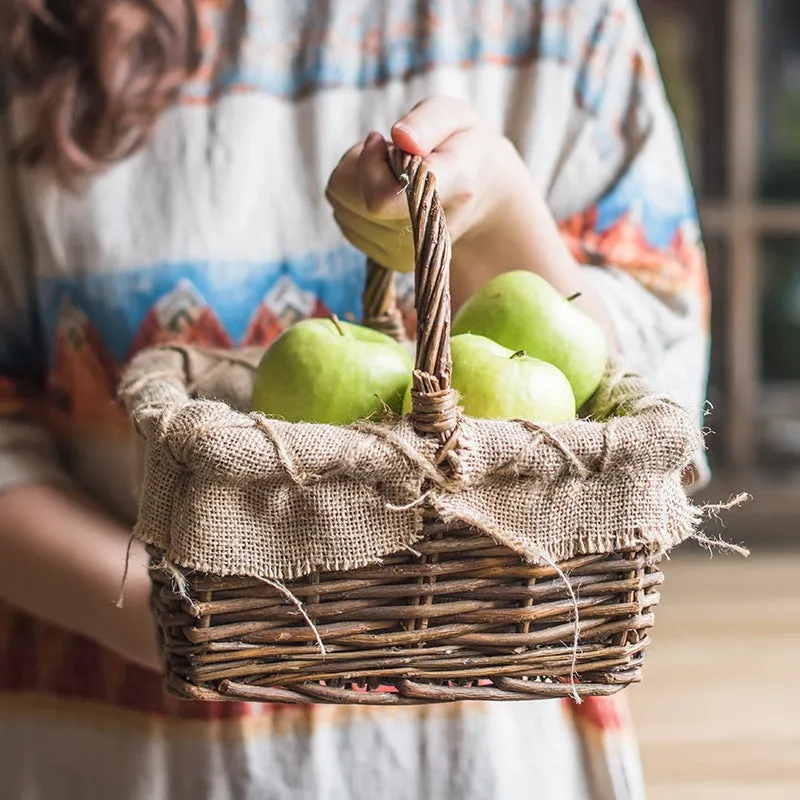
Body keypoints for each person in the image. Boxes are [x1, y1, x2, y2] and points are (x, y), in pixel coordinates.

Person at [0, 1, 709, 798]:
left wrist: (497, 212)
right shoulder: (38, 29)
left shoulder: (560, 21)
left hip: (474, 745)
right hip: (122, 746)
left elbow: (649, 418)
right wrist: (191, 617)